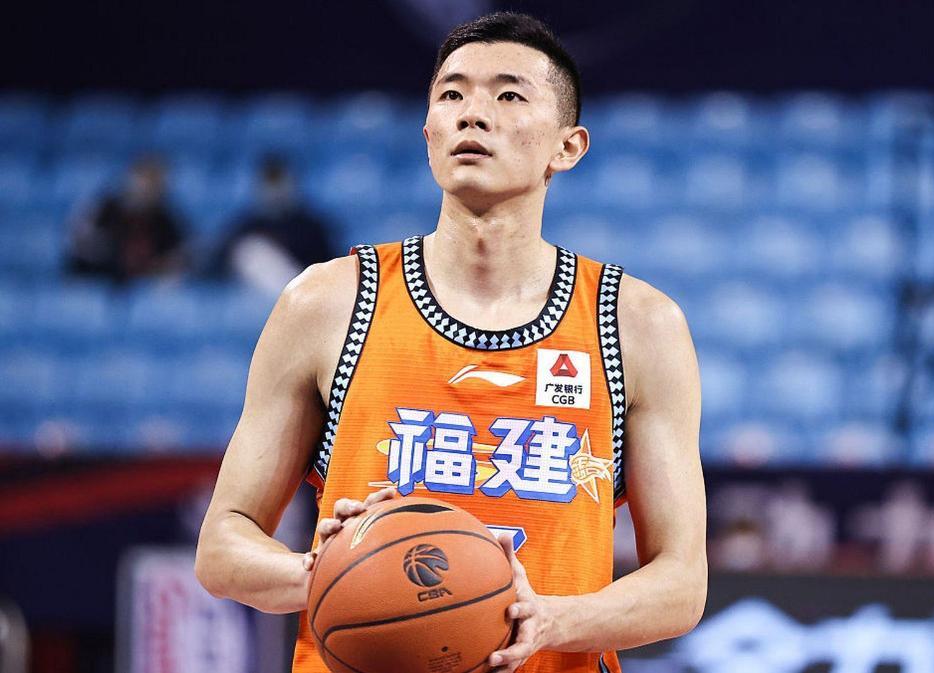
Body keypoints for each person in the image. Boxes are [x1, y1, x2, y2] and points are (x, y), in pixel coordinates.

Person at [195, 11, 707, 673]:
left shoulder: (637, 323)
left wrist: (549, 619)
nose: (473, 113)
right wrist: (331, 572)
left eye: (509, 95)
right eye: (452, 94)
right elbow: (223, 545)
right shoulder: (326, 302)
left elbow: (681, 583)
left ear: (568, 147)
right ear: (428, 133)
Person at [211, 155, 342, 294]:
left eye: (279, 181)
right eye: (270, 181)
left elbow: (332, 269)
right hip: (256, 295)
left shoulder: (311, 228)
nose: (275, 190)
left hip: (303, 293)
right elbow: (217, 265)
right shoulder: (247, 227)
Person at [66, 155, 187, 283]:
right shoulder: (105, 208)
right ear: (132, 179)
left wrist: (165, 265)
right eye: (147, 181)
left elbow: (181, 254)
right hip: (100, 280)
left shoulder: (165, 217)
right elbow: (80, 245)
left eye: (157, 183)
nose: (150, 189)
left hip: (146, 285)